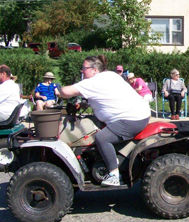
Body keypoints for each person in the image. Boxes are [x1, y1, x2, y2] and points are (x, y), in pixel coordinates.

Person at [60, 55, 150, 186]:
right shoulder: (110, 75)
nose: (82, 71)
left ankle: (114, 174)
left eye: (84, 68)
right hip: (138, 114)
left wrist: (57, 90)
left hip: (131, 119)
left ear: (94, 70)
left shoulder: (93, 82)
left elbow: (65, 91)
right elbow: (104, 97)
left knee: (102, 138)